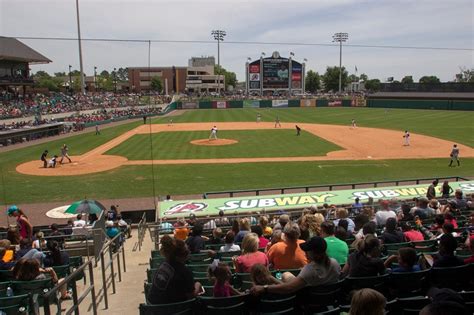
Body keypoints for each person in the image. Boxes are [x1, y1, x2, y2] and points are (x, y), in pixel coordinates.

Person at [250, 236, 340, 296]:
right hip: (327, 298)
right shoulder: (335, 263)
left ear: (316, 254)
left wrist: (264, 288)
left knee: (286, 275)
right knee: (287, 275)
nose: (305, 252)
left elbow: (289, 288)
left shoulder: (310, 269)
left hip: (309, 302)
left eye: (308, 250)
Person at [148, 235, 202, 304]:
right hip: (175, 311)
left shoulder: (163, 265)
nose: (189, 253)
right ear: (183, 256)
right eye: (187, 252)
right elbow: (192, 295)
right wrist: (198, 284)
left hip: (153, 309)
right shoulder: (185, 272)